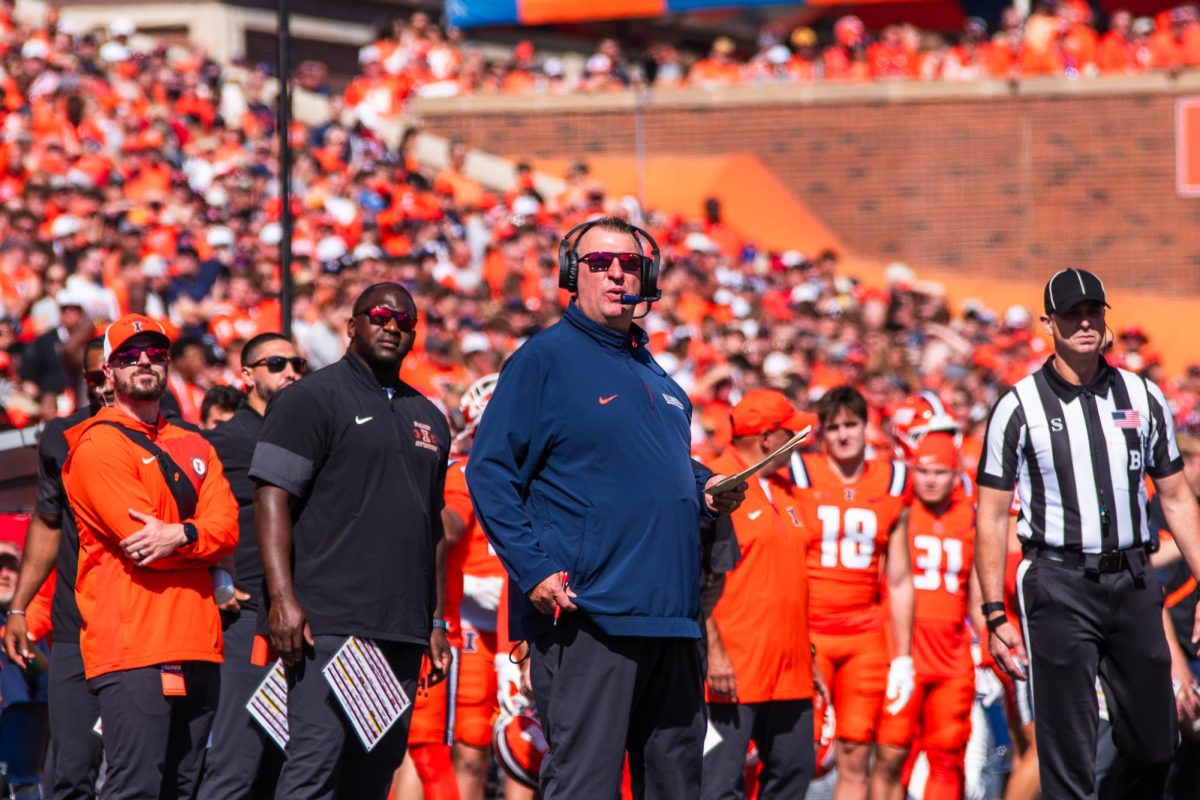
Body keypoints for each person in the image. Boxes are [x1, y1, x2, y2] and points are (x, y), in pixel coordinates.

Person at [467, 217, 746, 799]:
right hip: (590, 615)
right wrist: (534, 567)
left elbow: (655, 470)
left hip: (671, 618)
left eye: (631, 265)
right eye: (600, 263)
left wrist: (706, 486)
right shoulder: (545, 359)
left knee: (675, 788)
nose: (617, 274)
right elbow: (490, 469)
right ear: (573, 273)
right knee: (585, 786)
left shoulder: (660, 377)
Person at [976, 268, 1200, 799]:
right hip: (1058, 581)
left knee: (1156, 743)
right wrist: (992, 613)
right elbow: (989, 514)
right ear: (1047, 324)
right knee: (1068, 752)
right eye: (1070, 313)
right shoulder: (1018, 407)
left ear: (1104, 320)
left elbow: (1175, 496)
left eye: (1092, 312)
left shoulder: (1143, 397)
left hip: (1132, 578)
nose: (1083, 322)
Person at [250, 282, 452, 800]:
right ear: (351, 326)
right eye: (380, 315)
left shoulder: (429, 416)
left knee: (372, 776)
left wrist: (433, 619)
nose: (392, 326)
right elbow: (272, 497)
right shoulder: (310, 398)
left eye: (405, 320)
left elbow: (431, 525)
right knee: (314, 770)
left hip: (401, 628)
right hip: (331, 623)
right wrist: (282, 598)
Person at [60, 313, 239, 800]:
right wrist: (204, 546)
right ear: (109, 372)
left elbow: (228, 530)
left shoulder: (197, 443)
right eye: (129, 355)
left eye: (156, 353)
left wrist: (181, 534)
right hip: (134, 646)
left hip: (200, 643)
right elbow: (143, 546)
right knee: (134, 788)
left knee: (185, 790)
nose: (144, 361)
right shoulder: (97, 444)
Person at [790, 385, 914, 800]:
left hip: (864, 635)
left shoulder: (893, 479)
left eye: (851, 424)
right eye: (833, 427)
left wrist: (903, 657)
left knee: (856, 751)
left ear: (867, 426)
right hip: (808, 632)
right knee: (796, 754)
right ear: (821, 432)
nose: (843, 434)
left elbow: (897, 578)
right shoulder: (799, 473)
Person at [701, 389, 825, 800]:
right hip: (734, 667)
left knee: (794, 771)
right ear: (768, 438)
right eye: (790, 430)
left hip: (789, 666)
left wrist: (808, 656)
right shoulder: (714, 483)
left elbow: (789, 579)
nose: (798, 440)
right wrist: (713, 651)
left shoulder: (785, 488)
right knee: (719, 785)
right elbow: (697, 576)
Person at [197, 333, 304, 800]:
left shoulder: (311, 434)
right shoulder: (220, 442)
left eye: (297, 363)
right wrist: (215, 578)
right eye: (277, 363)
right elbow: (187, 517)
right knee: (236, 761)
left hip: (303, 617)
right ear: (247, 375)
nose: (291, 372)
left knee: (286, 765)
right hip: (245, 619)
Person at [4, 336, 110, 800]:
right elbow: (46, 527)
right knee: (72, 769)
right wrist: (19, 610)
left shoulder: (179, 438)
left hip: (149, 630)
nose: (108, 382)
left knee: (156, 770)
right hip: (77, 630)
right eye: (96, 375)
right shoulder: (61, 436)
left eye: (117, 367)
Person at [878, 432, 985, 800]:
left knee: (947, 755)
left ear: (956, 474)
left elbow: (978, 594)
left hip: (952, 653)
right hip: (902, 648)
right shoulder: (897, 509)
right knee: (893, 756)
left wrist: (987, 644)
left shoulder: (970, 517)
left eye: (939, 472)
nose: (930, 480)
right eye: (922, 471)